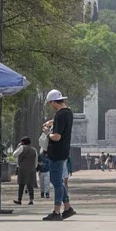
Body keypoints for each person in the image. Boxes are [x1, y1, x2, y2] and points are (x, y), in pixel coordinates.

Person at [41, 89, 75, 220]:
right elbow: (62, 124)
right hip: (64, 151)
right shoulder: (68, 113)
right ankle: (67, 207)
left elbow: (56, 137)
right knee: (58, 181)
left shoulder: (60, 115)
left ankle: (56, 211)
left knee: (56, 181)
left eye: (51, 103)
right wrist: (52, 122)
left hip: (57, 152)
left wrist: (47, 132)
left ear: (54, 102)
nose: (51, 106)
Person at [13, 135, 38, 205]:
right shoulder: (34, 149)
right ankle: (31, 200)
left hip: (22, 169)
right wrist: (34, 167)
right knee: (30, 185)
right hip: (32, 169)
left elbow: (14, 155)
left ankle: (19, 200)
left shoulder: (21, 147)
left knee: (21, 185)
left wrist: (18, 147)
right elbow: (36, 161)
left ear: (22, 142)